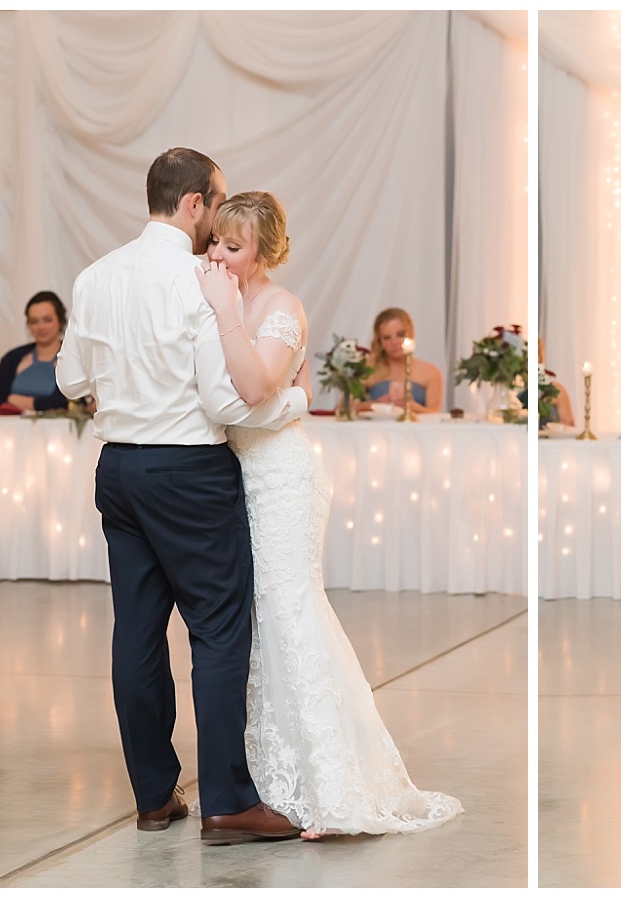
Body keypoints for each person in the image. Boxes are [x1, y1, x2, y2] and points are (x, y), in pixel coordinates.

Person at [56, 148, 306, 847]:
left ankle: (154, 795)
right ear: (195, 201)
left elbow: (72, 380)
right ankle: (227, 802)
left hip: (118, 470)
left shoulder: (95, 275)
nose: (218, 223)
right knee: (219, 632)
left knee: (135, 631)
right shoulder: (199, 279)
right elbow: (226, 396)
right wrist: (291, 399)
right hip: (189, 471)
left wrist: (123, 382)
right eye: (216, 204)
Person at [196, 191, 463, 839]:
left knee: (291, 610)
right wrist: (286, 396)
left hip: (283, 475)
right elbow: (237, 394)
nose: (219, 255)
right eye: (216, 243)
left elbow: (254, 390)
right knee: (259, 622)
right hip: (243, 475)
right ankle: (270, 778)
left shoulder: (279, 308)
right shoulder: (223, 301)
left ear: (265, 253)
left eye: (234, 246)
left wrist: (279, 395)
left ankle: (329, 784)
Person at [0, 291, 71, 412]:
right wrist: (41, 404)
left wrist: (13, 399)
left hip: (58, 429)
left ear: (61, 321)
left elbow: (64, 403)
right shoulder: (12, 358)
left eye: (47, 320)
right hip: (12, 429)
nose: (41, 327)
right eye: (34, 321)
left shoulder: (74, 358)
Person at [358, 308, 444, 413]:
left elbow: (435, 413)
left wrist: (413, 408)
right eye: (386, 338)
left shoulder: (431, 372)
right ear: (379, 341)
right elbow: (345, 408)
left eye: (400, 335)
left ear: (411, 335)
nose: (394, 342)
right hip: (377, 428)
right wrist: (373, 405)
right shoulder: (368, 369)